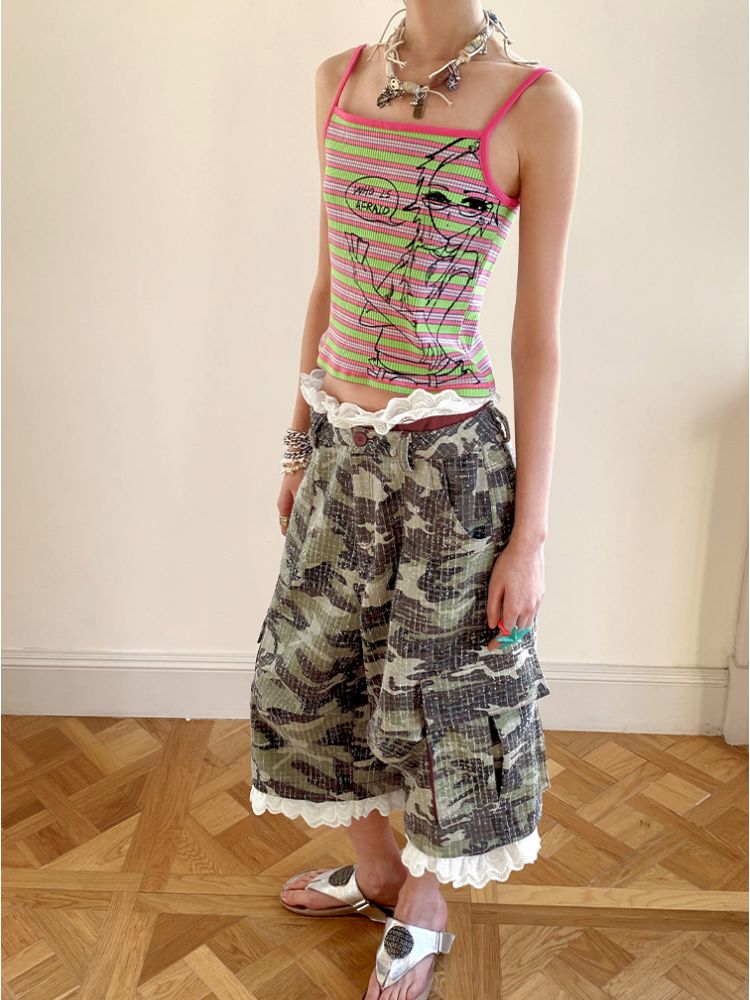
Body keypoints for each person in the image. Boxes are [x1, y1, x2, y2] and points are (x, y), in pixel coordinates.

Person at [250, 3, 582, 997]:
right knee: (307, 677)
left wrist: (530, 536)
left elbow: (537, 339)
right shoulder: (339, 77)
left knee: (448, 706)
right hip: (340, 452)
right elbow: (328, 286)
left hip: (453, 471)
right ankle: (380, 871)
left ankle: (428, 902)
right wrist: (298, 442)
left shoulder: (539, 106)